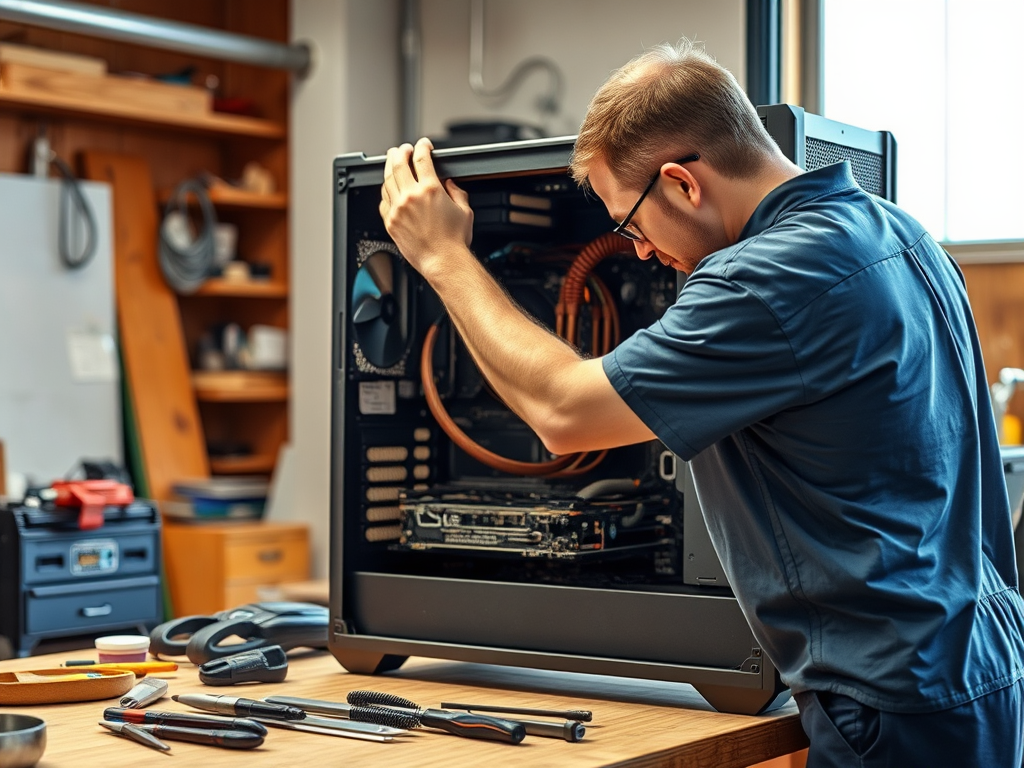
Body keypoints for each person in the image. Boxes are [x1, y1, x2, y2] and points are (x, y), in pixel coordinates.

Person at [379, 38, 1024, 768]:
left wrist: (441, 256)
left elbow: (560, 411)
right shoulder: (903, 233)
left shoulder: (765, 278)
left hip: (892, 705)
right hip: (981, 671)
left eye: (629, 224)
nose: (642, 253)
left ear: (684, 184)